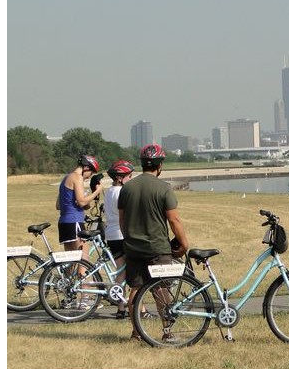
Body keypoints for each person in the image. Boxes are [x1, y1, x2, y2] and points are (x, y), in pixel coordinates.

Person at [118, 144, 189, 342]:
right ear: (160, 166)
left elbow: (122, 220)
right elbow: (174, 221)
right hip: (158, 247)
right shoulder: (164, 189)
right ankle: (167, 332)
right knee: (161, 289)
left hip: (133, 247)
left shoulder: (127, 188)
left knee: (136, 289)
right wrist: (184, 244)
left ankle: (136, 332)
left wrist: (129, 238)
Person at [103, 160, 135, 318]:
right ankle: (130, 306)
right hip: (122, 234)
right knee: (127, 271)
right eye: (130, 176)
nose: (131, 179)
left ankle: (121, 307)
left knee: (120, 270)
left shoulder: (109, 192)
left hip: (111, 234)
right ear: (120, 178)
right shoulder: (122, 193)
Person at [56, 154, 103, 256]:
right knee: (83, 259)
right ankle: (80, 273)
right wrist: (97, 191)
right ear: (86, 167)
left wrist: (82, 201)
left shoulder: (66, 178)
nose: (89, 176)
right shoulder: (77, 177)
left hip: (64, 223)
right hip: (74, 221)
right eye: (91, 173)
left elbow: (58, 205)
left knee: (70, 261)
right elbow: (81, 202)